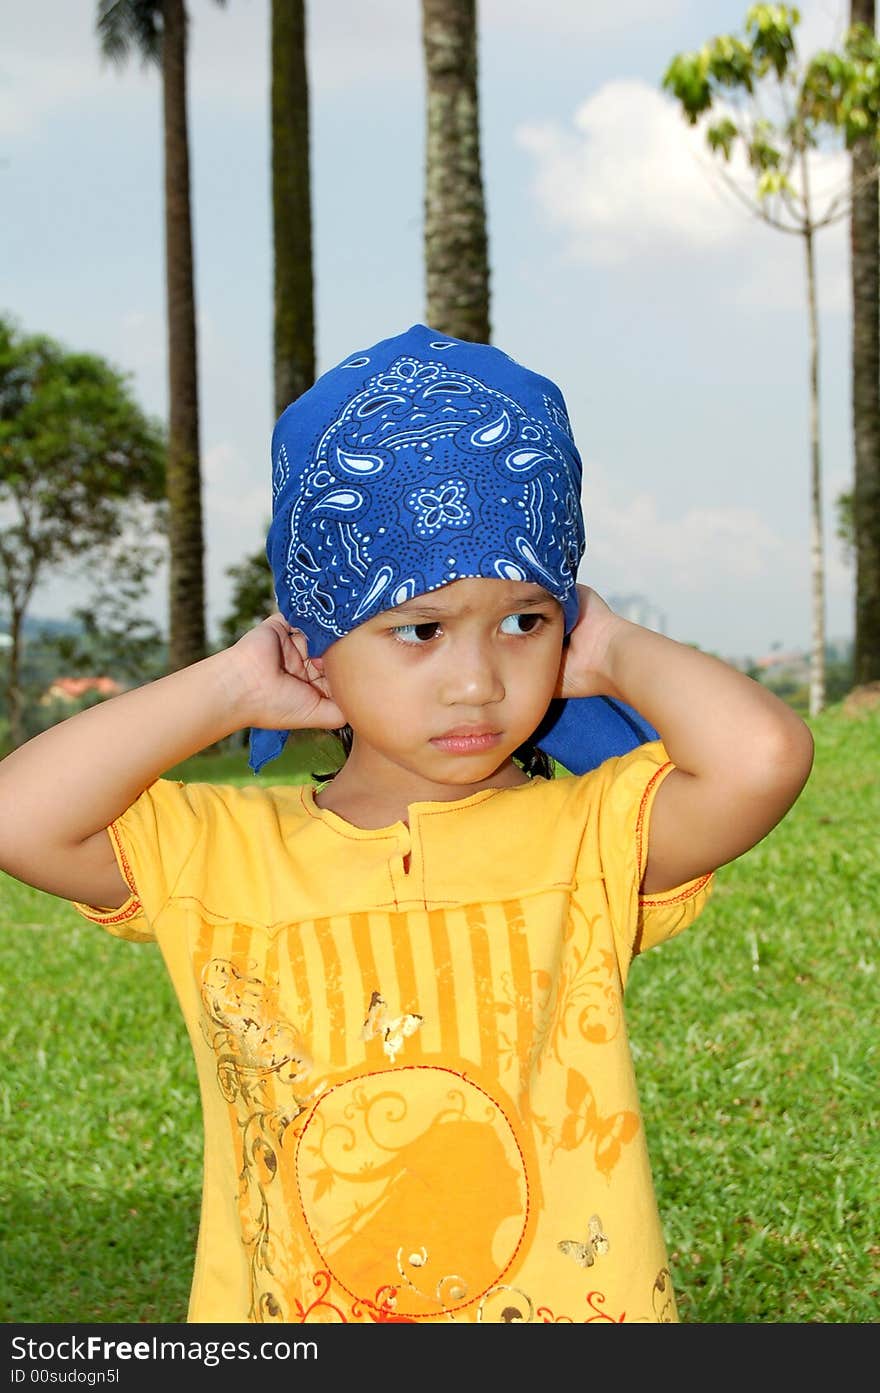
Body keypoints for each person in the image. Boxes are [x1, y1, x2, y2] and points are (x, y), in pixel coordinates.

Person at [0, 324, 813, 1325]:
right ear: (319, 638)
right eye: (418, 629)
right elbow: (17, 817)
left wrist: (608, 641)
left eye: (524, 621)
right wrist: (233, 685)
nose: (477, 680)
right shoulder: (219, 857)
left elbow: (764, 757)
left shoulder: (589, 839)